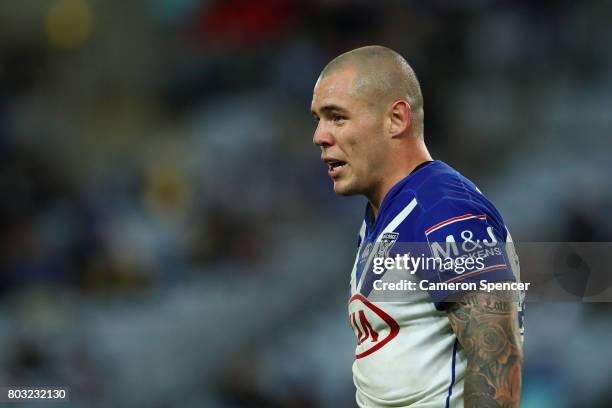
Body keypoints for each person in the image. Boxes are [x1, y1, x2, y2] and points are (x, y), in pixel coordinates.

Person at [310, 45, 524, 408]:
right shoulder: (385, 216)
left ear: (396, 118)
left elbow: (498, 362)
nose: (319, 136)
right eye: (317, 119)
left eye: (337, 117)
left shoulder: (441, 210)